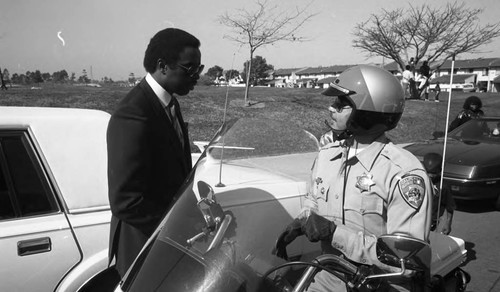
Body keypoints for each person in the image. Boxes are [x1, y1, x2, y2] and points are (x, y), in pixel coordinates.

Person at [274, 65, 432, 291]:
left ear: (368, 111)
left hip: (378, 285)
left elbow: (404, 261)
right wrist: (302, 221)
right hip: (327, 276)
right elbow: (313, 199)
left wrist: (334, 233)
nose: (331, 108)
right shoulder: (327, 156)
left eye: (341, 104)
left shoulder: (402, 172)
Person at [107, 28, 203, 277]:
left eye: (199, 70)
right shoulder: (134, 113)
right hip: (143, 243)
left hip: (165, 238)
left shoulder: (169, 102)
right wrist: (177, 225)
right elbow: (125, 201)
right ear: (162, 65)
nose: (196, 77)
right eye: (190, 69)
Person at [423, 153, 455, 235]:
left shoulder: (443, 186)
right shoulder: (419, 180)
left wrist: (448, 223)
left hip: (431, 221)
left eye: (433, 173)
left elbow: (450, 207)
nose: (430, 175)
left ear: (440, 170)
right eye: (428, 172)